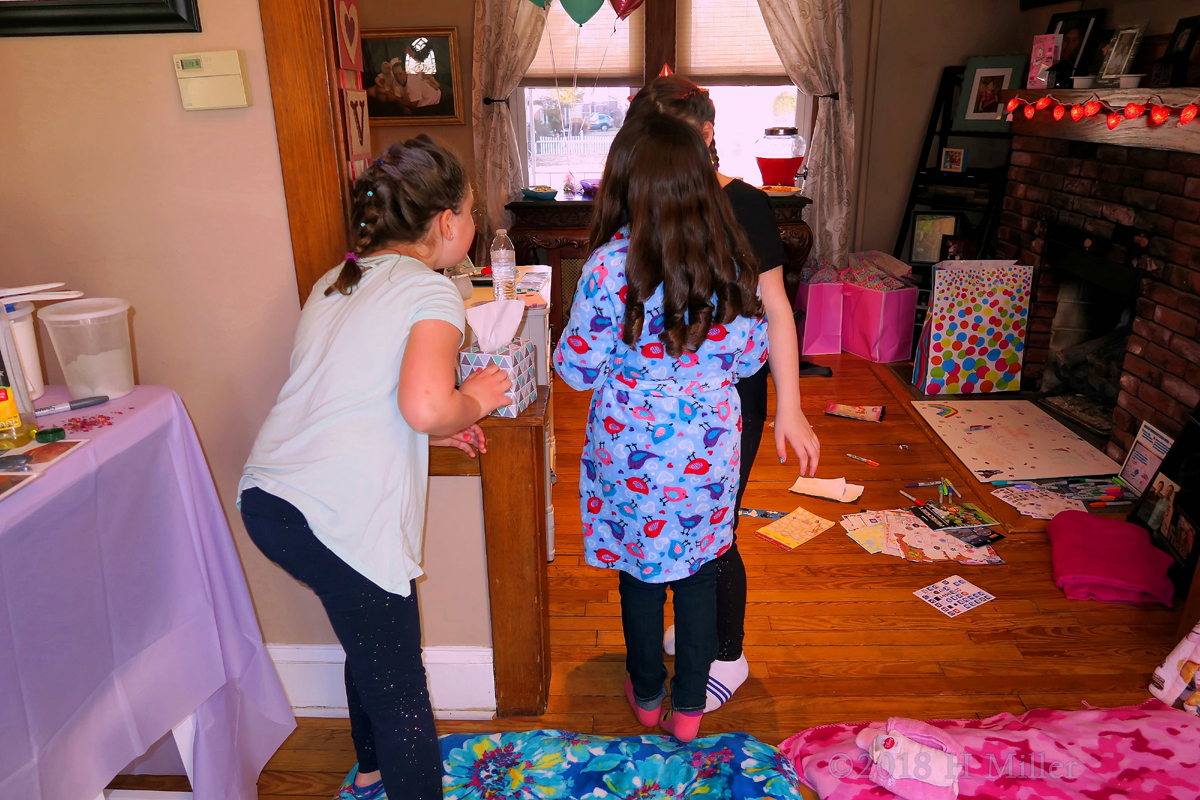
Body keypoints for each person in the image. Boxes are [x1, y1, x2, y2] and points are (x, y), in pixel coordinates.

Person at [238, 136, 512, 800]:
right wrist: (473, 400)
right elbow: (424, 405)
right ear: (447, 222)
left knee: (374, 648)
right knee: (402, 696)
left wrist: (439, 428)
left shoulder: (336, 280)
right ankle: (391, 768)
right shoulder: (434, 292)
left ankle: (370, 770)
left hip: (270, 499)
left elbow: (358, 400)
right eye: (472, 212)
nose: (472, 225)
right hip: (338, 514)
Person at [554, 112, 769, 743]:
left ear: (629, 185)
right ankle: (690, 708)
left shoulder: (607, 267)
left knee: (640, 573)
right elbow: (751, 357)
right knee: (702, 571)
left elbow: (574, 368)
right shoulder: (732, 262)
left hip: (631, 450)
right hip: (708, 442)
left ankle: (647, 695)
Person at [624, 75, 821, 712]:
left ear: (708, 136)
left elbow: (777, 310)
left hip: (729, 399)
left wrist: (791, 407)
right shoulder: (648, 199)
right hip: (656, 406)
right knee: (667, 527)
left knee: (715, 529)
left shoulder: (746, 205)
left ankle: (727, 653)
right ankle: (692, 632)